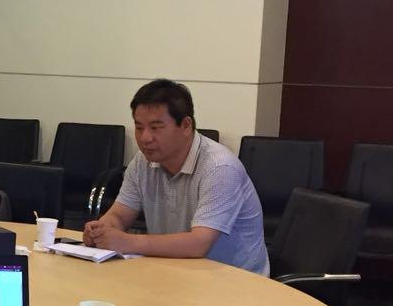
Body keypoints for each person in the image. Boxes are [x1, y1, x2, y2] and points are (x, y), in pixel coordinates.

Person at [83, 78, 269, 275]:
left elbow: (199, 243)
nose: (145, 138)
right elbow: (120, 216)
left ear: (186, 125)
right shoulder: (142, 162)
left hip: (235, 281)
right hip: (175, 271)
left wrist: (128, 242)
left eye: (156, 127)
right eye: (139, 127)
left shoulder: (220, 168)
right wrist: (101, 231)